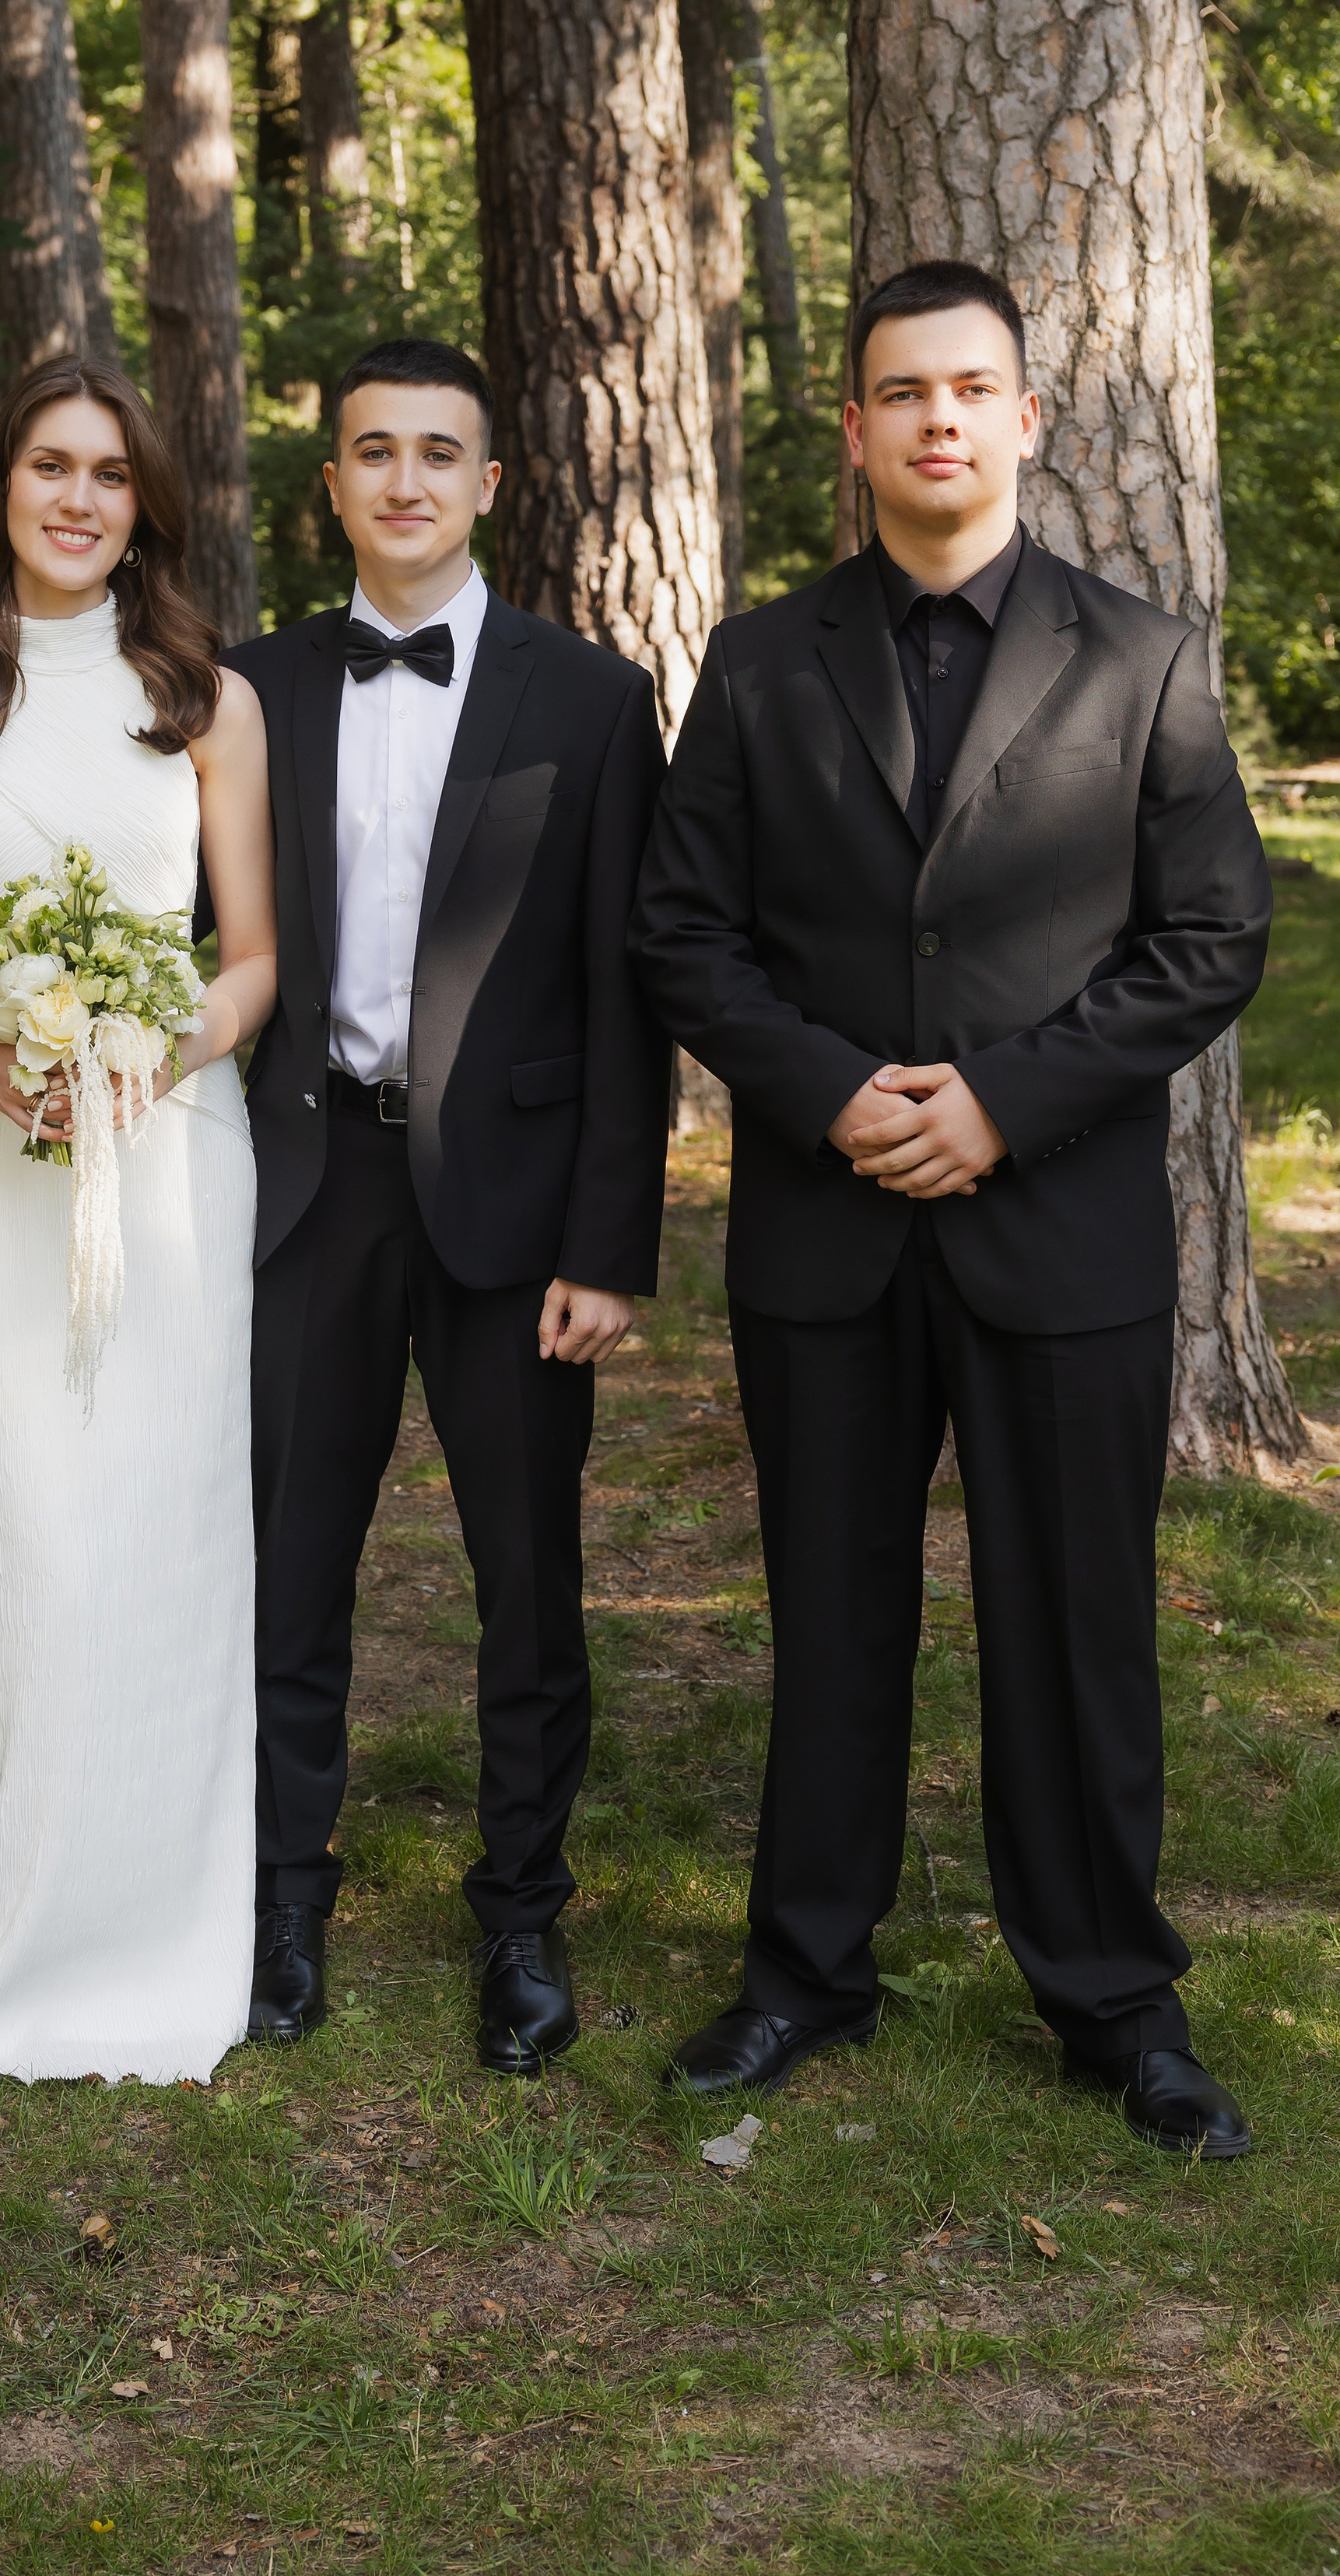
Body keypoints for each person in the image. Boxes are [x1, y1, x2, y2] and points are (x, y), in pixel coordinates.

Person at [630, 260, 1272, 2159]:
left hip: (1057, 1226)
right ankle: (803, 1974)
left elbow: (1208, 937)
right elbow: (681, 932)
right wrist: (835, 1093)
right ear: (851, 428)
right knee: (830, 1620)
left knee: (1075, 1626)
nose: (933, 420)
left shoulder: (1142, 659)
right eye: (897, 392)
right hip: (823, 1232)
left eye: (966, 389)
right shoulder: (755, 663)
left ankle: (1108, 2001)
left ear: (1022, 420)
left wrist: (1000, 1101)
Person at [0, 356, 276, 2087]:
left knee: (156, 1541)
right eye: (47, 469)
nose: (77, 500)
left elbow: (253, 961)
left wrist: (153, 1050)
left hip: (167, 1163)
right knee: (18, 1535)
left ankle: (165, 1929)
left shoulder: (206, 708)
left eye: (108, 474)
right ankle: (15, 1914)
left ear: (144, 506)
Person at [227, 335, 668, 2074]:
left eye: (438, 454)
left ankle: (521, 1920)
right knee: (283, 1569)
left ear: (492, 486)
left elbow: (628, 998)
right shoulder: (243, 690)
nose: (402, 481)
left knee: (527, 1581)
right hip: (305, 1186)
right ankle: (277, 1906)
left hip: (512, 1208)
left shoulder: (588, 698)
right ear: (326, 483)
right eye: (369, 452)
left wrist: (606, 1246)